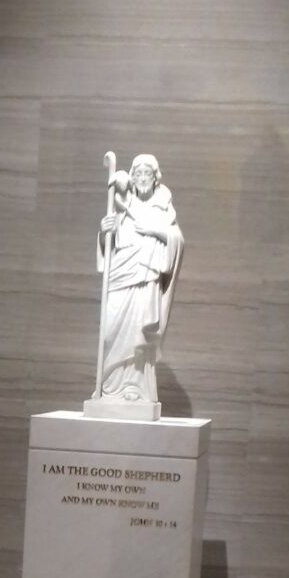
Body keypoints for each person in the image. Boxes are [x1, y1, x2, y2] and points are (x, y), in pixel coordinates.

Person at [96, 154, 183, 404]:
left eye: (148, 173)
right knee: (111, 331)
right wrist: (105, 231)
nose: (143, 178)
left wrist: (154, 230)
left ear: (155, 178)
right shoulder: (121, 204)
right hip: (120, 274)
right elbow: (108, 247)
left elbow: (177, 241)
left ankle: (133, 385)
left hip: (146, 278)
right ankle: (108, 386)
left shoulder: (162, 206)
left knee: (138, 332)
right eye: (138, 174)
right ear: (132, 178)